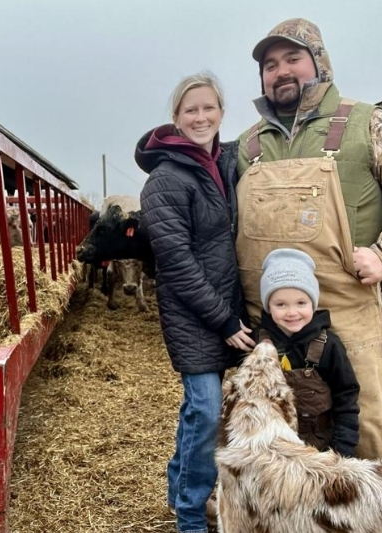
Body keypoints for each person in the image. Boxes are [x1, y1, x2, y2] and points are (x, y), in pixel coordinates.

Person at [234, 18, 382, 459]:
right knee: (270, 430)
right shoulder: (248, 145)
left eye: (293, 58)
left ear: (319, 62)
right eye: (270, 65)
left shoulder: (368, 124)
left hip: (345, 304)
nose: (281, 71)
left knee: (363, 422)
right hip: (266, 316)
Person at [136, 72, 255, 533]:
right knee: (205, 408)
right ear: (176, 118)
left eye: (209, 108)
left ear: (222, 113)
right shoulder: (165, 180)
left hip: (229, 304)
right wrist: (224, 320)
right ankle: (189, 516)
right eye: (191, 110)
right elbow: (177, 263)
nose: (201, 116)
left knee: (203, 412)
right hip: (195, 311)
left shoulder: (228, 165)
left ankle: (176, 486)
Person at [257, 248, 360, 457]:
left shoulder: (328, 345)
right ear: (268, 306)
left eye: (301, 303)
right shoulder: (258, 344)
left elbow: (346, 395)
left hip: (319, 449)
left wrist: (343, 450)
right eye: (281, 304)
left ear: (313, 303)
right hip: (271, 449)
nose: (292, 312)